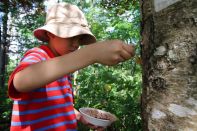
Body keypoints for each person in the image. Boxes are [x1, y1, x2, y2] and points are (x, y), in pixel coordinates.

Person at [8, 2, 135, 131]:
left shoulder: (63, 66)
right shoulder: (39, 55)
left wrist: (79, 116)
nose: (76, 44)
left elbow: (57, 104)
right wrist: (91, 53)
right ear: (51, 33)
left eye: (79, 39)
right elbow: (20, 82)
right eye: (71, 36)